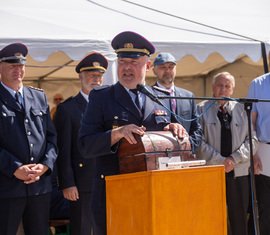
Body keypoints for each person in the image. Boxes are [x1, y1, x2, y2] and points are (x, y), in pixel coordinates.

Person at [78, 31, 199, 235]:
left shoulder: (159, 98)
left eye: (134, 62)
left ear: (148, 66)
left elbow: (169, 143)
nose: (126, 68)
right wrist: (117, 134)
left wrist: (173, 132)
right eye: (122, 61)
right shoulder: (101, 97)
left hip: (154, 193)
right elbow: (85, 145)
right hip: (115, 190)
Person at [0, 43, 57, 235]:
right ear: (0, 67)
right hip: (7, 186)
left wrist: (45, 166)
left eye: (21, 65)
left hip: (39, 187)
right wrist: (14, 168)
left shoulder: (38, 96)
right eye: (11, 65)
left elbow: (52, 138)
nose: (18, 70)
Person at [196, 72, 258, 235]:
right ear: (213, 87)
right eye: (219, 85)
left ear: (232, 90)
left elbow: (252, 140)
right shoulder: (201, 109)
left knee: (238, 219)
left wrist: (233, 159)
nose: (223, 89)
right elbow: (198, 142)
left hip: (239, 173)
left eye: (227, 86)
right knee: (212, 217)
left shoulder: (242, 109)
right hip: (211, 173)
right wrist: (220, 161)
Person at [54, 52, 108, 235]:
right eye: (91, 75)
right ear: (81, 77)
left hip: (108, 180)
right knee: (83, 229)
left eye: (99, 75)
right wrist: (67, 183)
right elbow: (62, 150)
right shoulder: (67, 110)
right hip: (82, 183)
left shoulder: (108, 106)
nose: (96, 79)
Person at [152, 52, 202, 152]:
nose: (167, 71)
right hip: (157, 155)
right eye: (163, 67)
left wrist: (189, 147)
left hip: (185, 155)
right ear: (154, 70)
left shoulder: (188, 96)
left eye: (171, 67)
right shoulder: (148, 96)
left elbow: (197, 128)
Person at [247, 72, 270, 235]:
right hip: (263, 150)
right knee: (265, 205)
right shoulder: (258, 84)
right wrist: (253, 153)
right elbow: (250, 121)